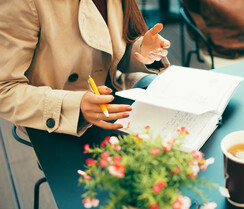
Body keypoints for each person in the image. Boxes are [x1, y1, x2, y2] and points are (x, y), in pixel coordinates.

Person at [0, 0, 170, 136]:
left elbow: (105, 52)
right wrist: (75, 106)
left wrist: (141, 51)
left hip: (116, 97)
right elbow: (4, 89)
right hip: (64, 123)